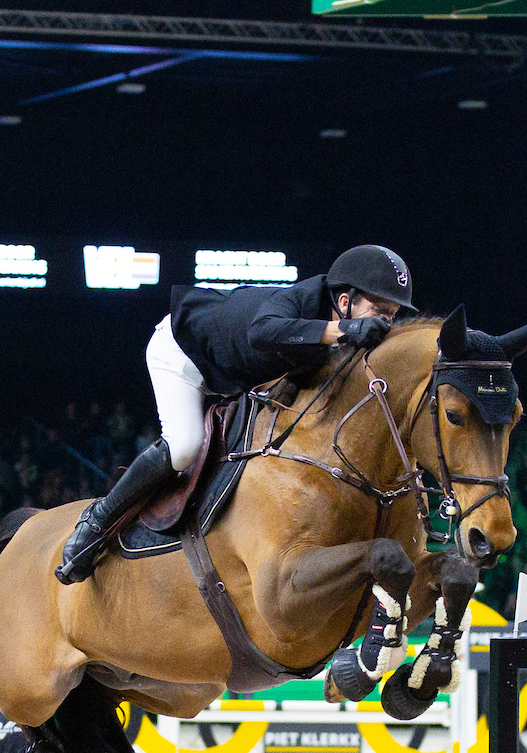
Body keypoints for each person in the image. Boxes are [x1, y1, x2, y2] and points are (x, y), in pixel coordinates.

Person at [54, 245, 418, 585]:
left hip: (234, 379)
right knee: (184, 446)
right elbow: (263, 333)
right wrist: (344, 329)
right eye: (379, 311)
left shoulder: (347, 338)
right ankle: (97, 522)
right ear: (344, 300)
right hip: (183, 355)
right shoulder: (297, 301)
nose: (385, 323)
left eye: (392, 315)